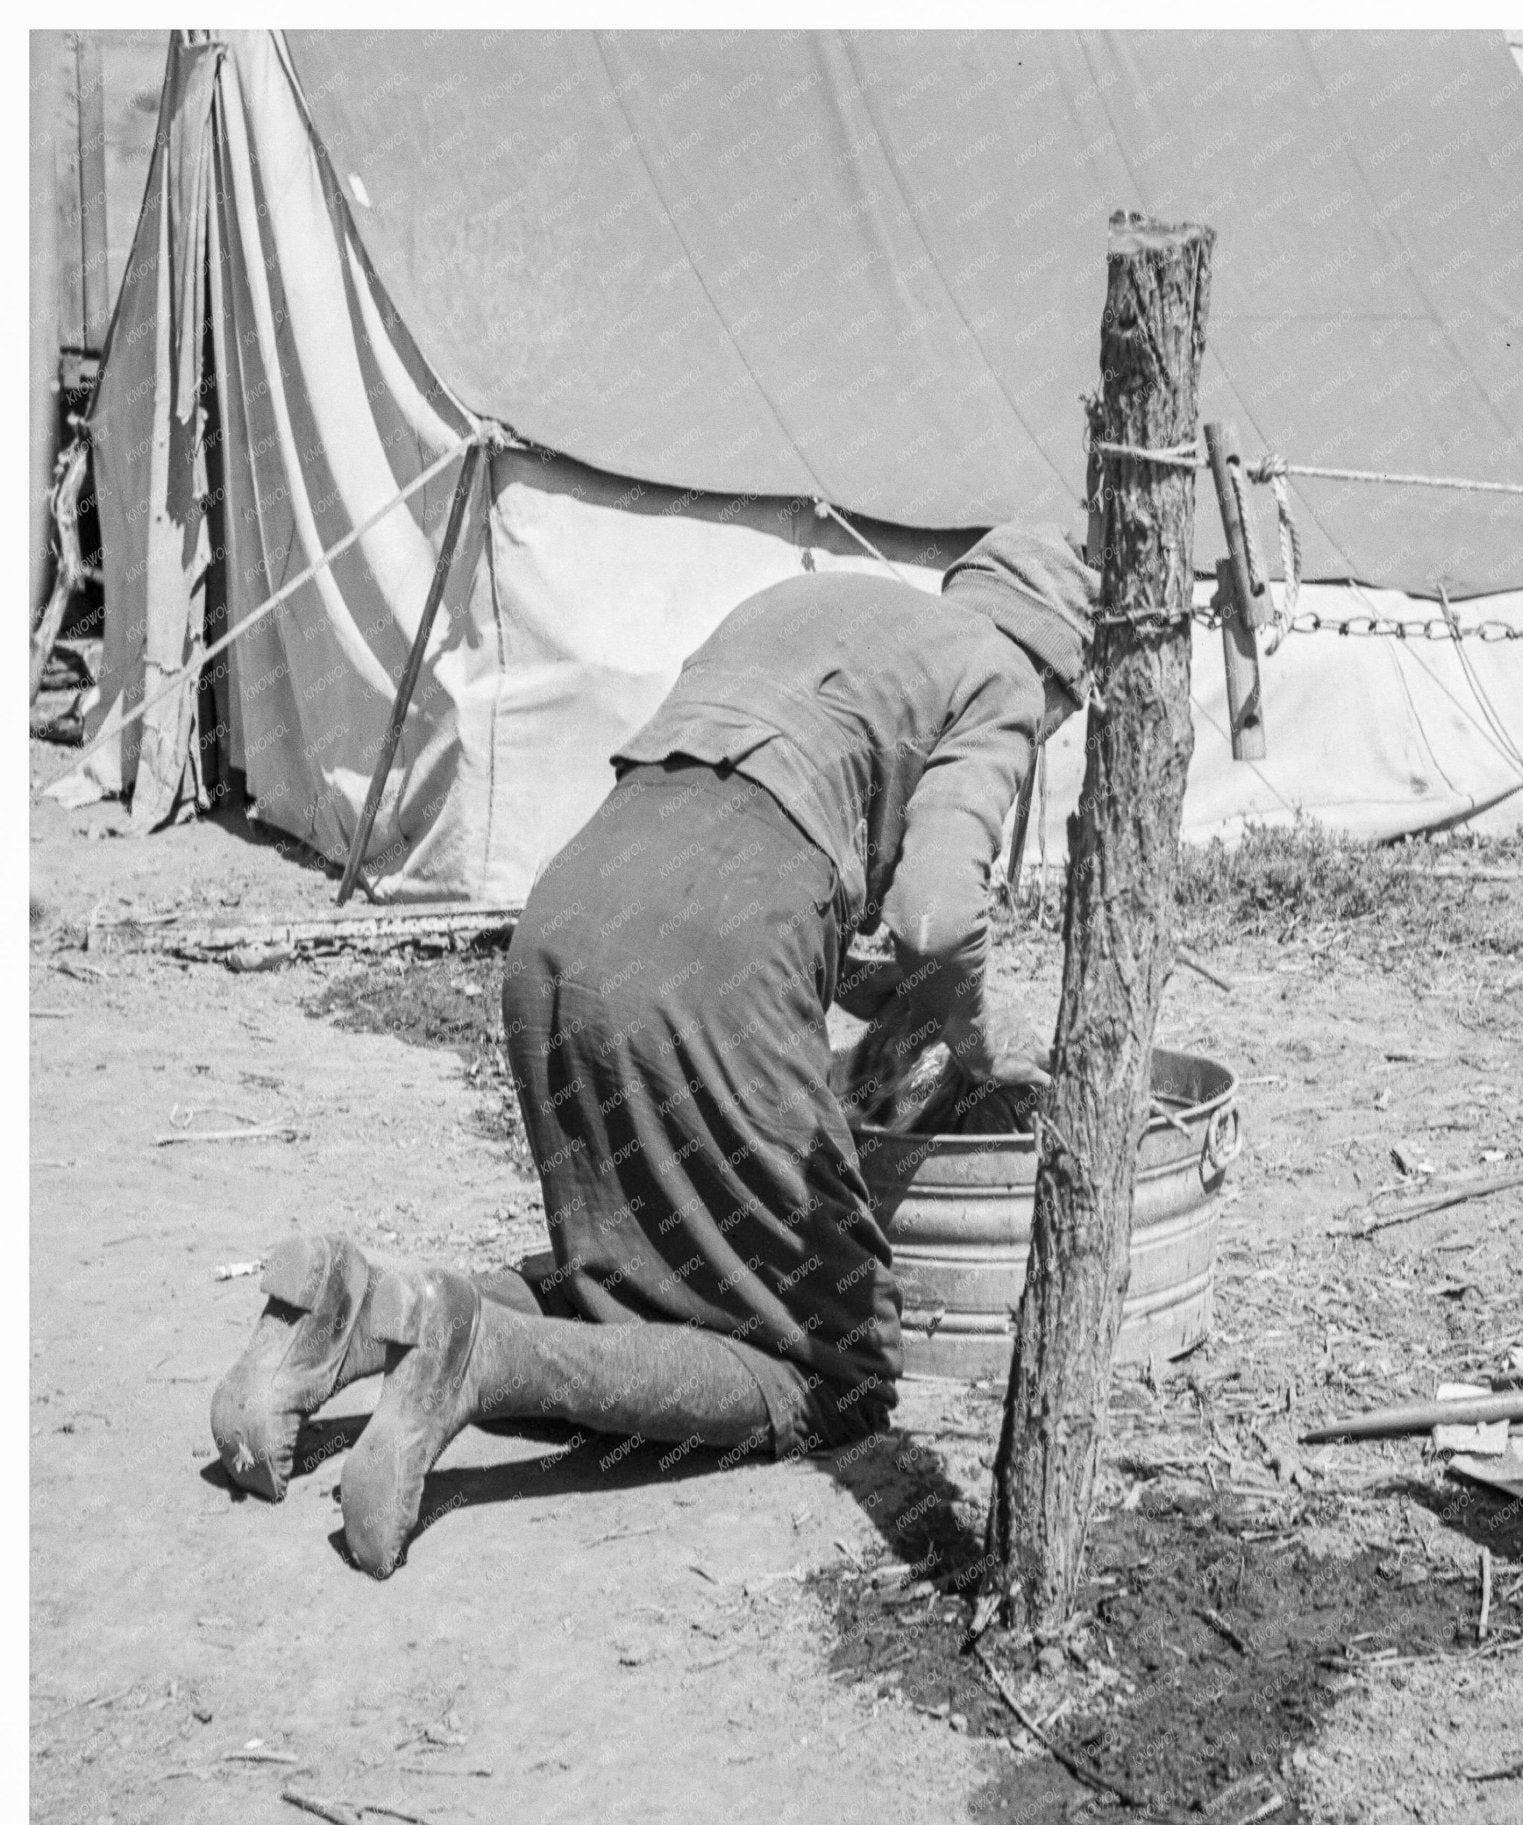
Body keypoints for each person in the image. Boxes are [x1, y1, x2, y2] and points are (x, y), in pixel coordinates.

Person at [209, 524, 1098, 1576]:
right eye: (1059, 714)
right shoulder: (996, 673)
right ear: (1047, 661)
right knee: (832, 1369)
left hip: (568, 924)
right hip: (709, 959)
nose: (1044, 729)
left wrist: (858, 981)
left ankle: (367, 1310)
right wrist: (973, 1042)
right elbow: (939, 915)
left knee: (651, 1269)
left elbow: (732, 822)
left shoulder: (812, 608)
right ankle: (478, 1360)